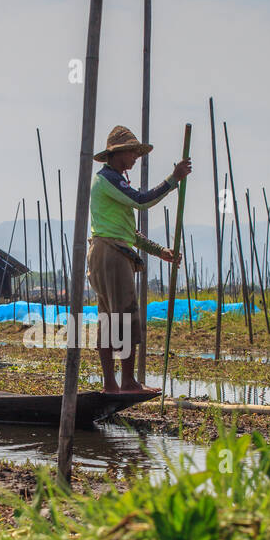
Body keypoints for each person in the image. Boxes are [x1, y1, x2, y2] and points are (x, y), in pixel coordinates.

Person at [87, 125, 191, 393]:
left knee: (110, 318)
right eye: (133, 152)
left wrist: (160, 251)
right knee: (123, 315)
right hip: (111, 253)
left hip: (106, 250)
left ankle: (112, 384)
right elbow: (143, 200)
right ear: (119, 153)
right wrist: (173, 179)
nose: (136, 157)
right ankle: (127, 382)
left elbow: (128, 231)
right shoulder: (109, 179)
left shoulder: (112, 182)